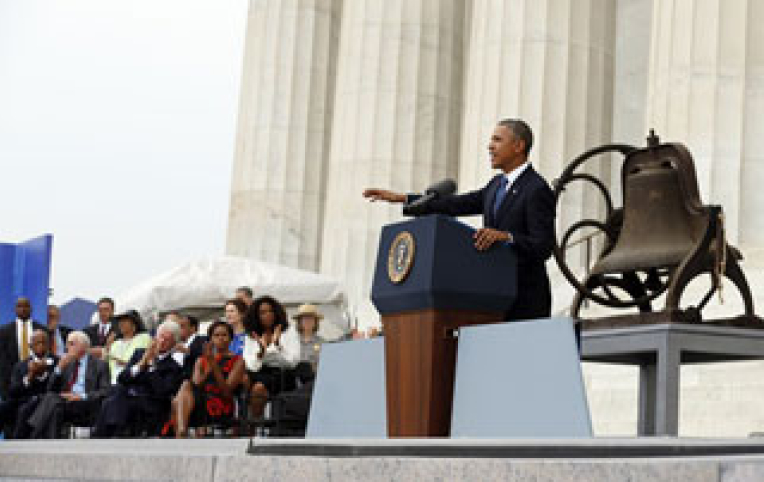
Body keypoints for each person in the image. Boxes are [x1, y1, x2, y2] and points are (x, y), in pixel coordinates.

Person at [363, 118, 555, 320]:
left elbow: (543, 245)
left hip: (525, 301)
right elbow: (456, 204)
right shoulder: (495, 185)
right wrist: (404, 198)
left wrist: (506, 237)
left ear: (519, 146)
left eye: (497, 140)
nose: (490, 146)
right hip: (495, 297)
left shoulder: (536, 188)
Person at [93, 320, 184, 437]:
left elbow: (162, 392)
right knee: (115, 395)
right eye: (160, 337)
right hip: (127, 397)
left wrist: (151, 365)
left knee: (116, 402)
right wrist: (140, 365)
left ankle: (110, 434)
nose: (162, 342)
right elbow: (122, 378)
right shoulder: (139, 354)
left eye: (167, 339)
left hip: (151, 402)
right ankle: (105, 436)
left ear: (174, 343)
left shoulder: (173, 366)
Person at [16, 331, 110, 439]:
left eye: (71, 343)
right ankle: (52, 444)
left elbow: (105, 391)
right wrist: (59, 369)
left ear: (83, 346)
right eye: (67, 344)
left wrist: (81, 396)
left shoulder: (100, 365)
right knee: (54, 405)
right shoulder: (66, 363)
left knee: (51, 400)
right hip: (64, 401)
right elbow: (50, 388)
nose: (67, 347)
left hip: (85, 403)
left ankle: (33, 435)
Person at [170, 320, 245, 437]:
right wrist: (208, 367)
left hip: (221, 401)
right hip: (199, 399)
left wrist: (213, 364)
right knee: (185, 385)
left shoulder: (238, 361)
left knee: (178, 401)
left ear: (231, 338)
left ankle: (180, 433)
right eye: (216, 335)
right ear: (210, 339)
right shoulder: (201, 360)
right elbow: (197, 384)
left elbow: (226, 391)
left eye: (224, 335)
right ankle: (182, 430)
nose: (220, 338)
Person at [243, 296, 299, 417]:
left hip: (283, 374)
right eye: (263, 312)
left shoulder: (288, 331)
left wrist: (278, 345)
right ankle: (248, 424)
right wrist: (261, 352)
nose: (268, 315)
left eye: (271, 311)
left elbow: (292, 362)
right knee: (246, 380)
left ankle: (256, 426)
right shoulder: (251, 334)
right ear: (256, 316)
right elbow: (250, 364)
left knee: (258, 387)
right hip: (259, 372)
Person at [0, 330, 57, 437]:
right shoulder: (21, 365)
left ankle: (17, 445)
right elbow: (12, 391)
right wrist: (29, 377)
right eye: (37, 343)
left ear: (49, 344)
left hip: (44, 401)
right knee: (4, 407)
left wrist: (43, 374)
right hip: (23, 399)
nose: (40, 346)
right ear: (30, 346)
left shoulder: (57, 362)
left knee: (24, 409)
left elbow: (57, 387)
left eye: (43, 342)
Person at [0, 297, 46, 401]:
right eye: (19, 306)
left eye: (26, 306)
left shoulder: (42, 329)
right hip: (12, 383)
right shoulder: (4, 332)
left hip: (37, 382)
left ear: (31, 309)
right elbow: (2, 361)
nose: (23, 309)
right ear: (15, 309)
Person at [103, 311, 151, 383]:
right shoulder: (115, 344)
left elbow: (144, 363)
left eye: (125, 321)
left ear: (134, 323)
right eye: (120, 321)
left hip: (132, 383)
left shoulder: (144, 338)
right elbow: (105, 365)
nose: (121, 323)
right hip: (112, 384)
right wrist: (107, 347)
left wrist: (124, 363)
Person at [293, 304, 325, 384]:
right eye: (305, 319)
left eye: (311, 319)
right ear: (299, 322)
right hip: (294, 382)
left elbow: (325, 365)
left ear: (315, 322)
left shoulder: (322, 342)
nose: (308, 321)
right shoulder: (292, 341)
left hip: (314, 381)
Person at [173, 314, 207, 379]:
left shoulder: (202, 339)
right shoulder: (178, 343)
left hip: (191, 380)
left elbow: (204, 355)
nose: (179, 330)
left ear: (192, 328)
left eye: (182, 326)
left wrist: (187, 351)